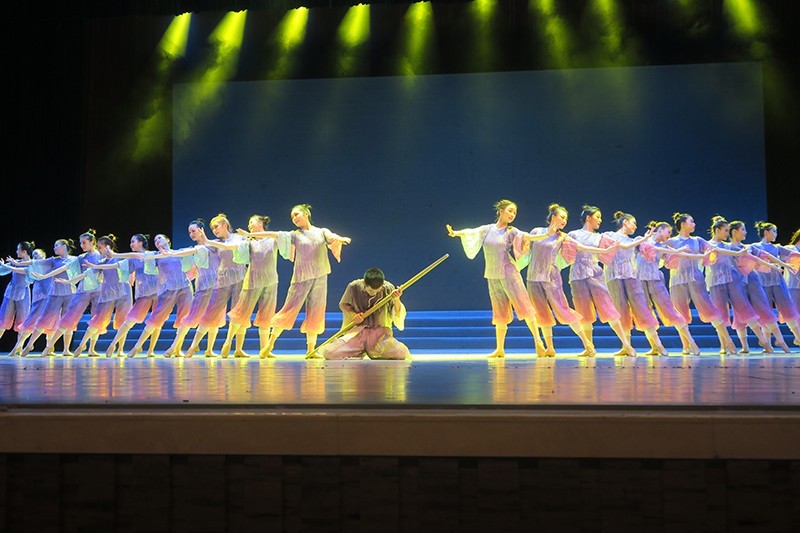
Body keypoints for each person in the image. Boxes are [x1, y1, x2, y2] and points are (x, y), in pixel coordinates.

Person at [240, 204, 351, 357]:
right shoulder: (295, 234)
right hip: (301, 277)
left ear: (306, 214)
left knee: (316, 312)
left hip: (320, 275)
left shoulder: (321, 231)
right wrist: (251, 234)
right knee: (289, 309)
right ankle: (270, 344)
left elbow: (332, 237)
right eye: (292, 217)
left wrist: (340, 239)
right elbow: (276, 234)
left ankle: (311, 350)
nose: (294, 218)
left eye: (296, 214)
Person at [447, 199, 546, 358]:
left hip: (509, 273)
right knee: (499, 312)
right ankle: (499, 349)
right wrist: (455, 233)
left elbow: (526, 237)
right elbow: (471, 232)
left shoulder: (511, 231)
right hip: (492, 274)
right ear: (501, 211)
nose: (512, 214)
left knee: (524, 306)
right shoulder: (487, 229)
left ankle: (538, 342)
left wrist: (545, 235)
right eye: (510, 211)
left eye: (515, 212)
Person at [518, 204, 595, 356]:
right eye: (562, 217)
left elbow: (580, 247)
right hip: (533, 277)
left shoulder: (562, 237)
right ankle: (550, 348)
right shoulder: (536, 231)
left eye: (566, 219)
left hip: (551, 278)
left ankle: (587, 344)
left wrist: (604, 251)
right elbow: (523, 246)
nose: (564, 221)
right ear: (553, 217)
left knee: (563, 309)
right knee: (541, 313)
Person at [567, 205, 636, 356]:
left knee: (608, 309)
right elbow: (569, 252)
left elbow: (622, 245)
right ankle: (589, 348)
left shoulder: (600, 237)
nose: (600, 220)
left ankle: (626, 345)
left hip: (595, 274)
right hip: (578, 275)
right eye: (597, 217)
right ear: (588, 218)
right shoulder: (573, 234)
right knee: (584, 313)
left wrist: (643, 239)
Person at [666, 213, 738, 354]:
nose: (694, 224)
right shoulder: (671, 242)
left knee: (708, 308)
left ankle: (729, 341)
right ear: (683, 224)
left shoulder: (697, 240)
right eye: (691, 221)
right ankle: (687, 345)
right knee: (680, 312)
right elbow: (660, 253)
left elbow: (714, 249)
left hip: (695, 278)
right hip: (677, 279)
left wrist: (738, 253)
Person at [184, 214, 247, 358]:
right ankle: (193, 346)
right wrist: (171, 253)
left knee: (239, 314)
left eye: (216, 226)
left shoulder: (238, 238)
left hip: (239, 279)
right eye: (212, 228)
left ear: (225, 225)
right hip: (222, 281)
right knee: (210, 313)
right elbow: (197, 250)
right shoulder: (214, 243)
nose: (214, 230)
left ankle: (237, 348)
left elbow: (236, 247)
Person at [705, 216, 771, 354]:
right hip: (716, 282)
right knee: (720, 313)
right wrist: (737, 252)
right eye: (725, 230)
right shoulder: (708, 244)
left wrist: (770, 264)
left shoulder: (728, 246)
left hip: (732, 280)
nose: (727, 233)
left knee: (744, 308)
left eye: (728, 230)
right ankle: (724, 345)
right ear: (717, 230)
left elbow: (748, 256)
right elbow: (717, 251)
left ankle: (763, 341)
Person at [635, 221, 701, 355]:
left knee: (670, 310)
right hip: (640, 281)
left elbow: (677, 255)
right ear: (659, 230)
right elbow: (642, 248)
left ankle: (691, 342)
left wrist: (700, 256)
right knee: (645, 313)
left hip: (655, 280)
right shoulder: (642, 241)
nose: (669, 235)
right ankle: (657, 346)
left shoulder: (663, 246)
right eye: (668, 232)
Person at [35, 229, 102, 356]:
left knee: (97, 318)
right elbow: (65, 267)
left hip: (98, 290)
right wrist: (45, 276)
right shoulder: (81, 258)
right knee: (69, 317)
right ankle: (49, 346)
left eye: (84, 242)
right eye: (81, 243)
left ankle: (91, 348)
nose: (81, 245)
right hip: (83, 290)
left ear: (92, 242)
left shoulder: (100, 256)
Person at [318, 268, 410, 360]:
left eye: (377, 290)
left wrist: (396, 299)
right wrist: (354, 315)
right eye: (371, 291)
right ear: (364, 283)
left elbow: (396, 311)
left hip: (379, 334)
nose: (374, 293)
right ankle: (358, 352)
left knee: (400, 353)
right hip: (358, 332)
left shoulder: (388, 288)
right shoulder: (353, 287)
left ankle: (372, 351)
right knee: (329, 352)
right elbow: (344, 305)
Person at [727, 221, 791, 353]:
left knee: (765, 309)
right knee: (740, 314)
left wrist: (779, 265)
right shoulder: (728, 248)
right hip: (737, 283)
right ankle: (746, 346)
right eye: (743, 229)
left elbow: (764, 256)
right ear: (734, 231)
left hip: (752, 281)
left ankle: (781, 342)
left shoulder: (748, 247)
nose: (745, 232)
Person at [124, 234, 193, 357]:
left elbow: (193, 257)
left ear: (167, 240)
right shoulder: (155, 256)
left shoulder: (179, 252)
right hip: (169, 290)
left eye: (159, 238)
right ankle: (137, 347)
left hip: (185, 287)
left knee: (184, 318)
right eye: (155, 240)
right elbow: (138, 256)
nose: (157, 241)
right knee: (156, 317)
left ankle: (175, 348)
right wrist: (114, 255)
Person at [225, 214, 278, 358]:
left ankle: (265, 349)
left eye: (251, 222)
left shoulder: (272, 239)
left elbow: (284, 238)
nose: (249, 225)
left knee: (267, 315)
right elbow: (233, 248)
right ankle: (228, 342)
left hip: (270, 281)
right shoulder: (248, 242)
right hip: (252, 281)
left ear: (260, 223)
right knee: (241, 312)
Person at [71, 234, 133, 356]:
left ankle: (119, 349)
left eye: (100, 247)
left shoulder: (120, 259)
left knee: (122, 320)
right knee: (98, 318)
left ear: (108, 247)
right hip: (108, 293)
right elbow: (87, 273)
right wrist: (69, 281)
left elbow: (130, 265)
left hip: (123, 292)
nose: (99, 250)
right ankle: (82, 344)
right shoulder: (101, 262)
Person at [20, 238, 79, 356]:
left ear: (64, 246)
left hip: (70, 293)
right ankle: (30, 344)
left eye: (57, 245)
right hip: (55, 293)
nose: (54, 248)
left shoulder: (74, 259)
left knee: (68, 321)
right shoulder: (53, 260)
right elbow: (36, 263)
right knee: (44, 318)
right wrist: (17, 264)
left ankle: (66, 349)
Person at [102, 234, 160, 356]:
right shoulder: (132, 259)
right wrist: (97, 266)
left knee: (157, 321)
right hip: (143, 293)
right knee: (130, 319)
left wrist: (115, 255)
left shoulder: (152, 254)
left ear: (141, 243)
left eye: (133, 241)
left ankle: (150, 350)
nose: (131, 244)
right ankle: (113, 344)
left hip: (158, 292)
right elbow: (117, 266)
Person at [750, 221, 800, 345]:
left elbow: (793, 254)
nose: (776, 234)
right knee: (766, 311)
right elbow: (748, 258)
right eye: (774, 231)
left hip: (778, 282)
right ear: (766, 232)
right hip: (762, 283)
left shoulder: (776, 248)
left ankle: (798, 337)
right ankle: (767, 342)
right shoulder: (755, 246)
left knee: (788, 309)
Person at [6, 248, 48, 355]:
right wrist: (11, 265)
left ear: (44, 255)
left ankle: (49, 347)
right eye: (34, 255)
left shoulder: (49, 264)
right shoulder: (33, 268)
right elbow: (20, 270)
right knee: (31, 322)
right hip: (40, 297)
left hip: (52, 295)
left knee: (51, 322)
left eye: (37, 254)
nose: (35, 257)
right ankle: (19, 346)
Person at [0, 241, 34, 345]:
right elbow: (2, 270)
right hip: (11, 291)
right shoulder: (15, 262)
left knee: (22, 320)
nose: (16, 251)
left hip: (24, 293)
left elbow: (25, 273)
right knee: (4, 318)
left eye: (18, 249)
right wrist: (3, 265)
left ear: (24, 251)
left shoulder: (32, 264)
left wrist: (12, 264)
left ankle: (19, 347)